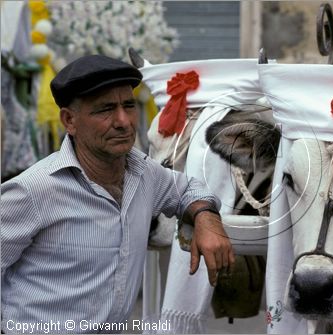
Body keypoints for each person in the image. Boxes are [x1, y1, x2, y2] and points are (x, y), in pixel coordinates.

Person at [1, 54, 235, 333]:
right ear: (69, 121)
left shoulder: (145, 173)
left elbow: (188, 188)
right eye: (105, 110)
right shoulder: (34, 190)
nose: (123, 121)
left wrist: (207, 217)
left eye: (129, 105)